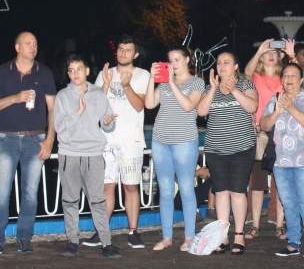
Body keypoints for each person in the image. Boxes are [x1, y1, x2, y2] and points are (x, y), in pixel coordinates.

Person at [0, 32, 57, 255]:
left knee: (30, 193)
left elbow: (53, 109)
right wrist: (15, 98)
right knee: (1, 192)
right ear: (17, 47)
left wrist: (50, 139)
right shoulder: (3, 72)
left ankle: (24, 238)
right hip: (7, 139)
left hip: (36, 138)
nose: (33, 47)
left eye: (35, 43)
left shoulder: (45, 73)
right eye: (28, 43)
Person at [54, 54, 121, 259]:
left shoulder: (98, 95)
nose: (75, 73)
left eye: (79, 69)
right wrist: (77, 113)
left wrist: (108, 121)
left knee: (98, 201)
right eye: (71, 70)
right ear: (68, 74)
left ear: (87, 71)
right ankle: (73, 241)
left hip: (93, 155)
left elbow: (108, 126)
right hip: (69, 155)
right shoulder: (63, 97)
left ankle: (106, 243)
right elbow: (60, 129)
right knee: (70, 201)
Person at [87, 35, 149, 249]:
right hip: (106, 141)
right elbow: (95, 106)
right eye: (120, 49)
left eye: (128, 50)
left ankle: (133, 231)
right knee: (107, 187)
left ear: (136, 54)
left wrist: (127, 86)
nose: (123, 53)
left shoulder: (143, 75)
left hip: (130, 141)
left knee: (131, 187)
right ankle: (102, 231)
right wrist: (105, 83)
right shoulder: (106, 73)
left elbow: (141, 106)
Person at [260, 63, 304, 259]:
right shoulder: (275, 99)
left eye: (293, 75)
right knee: (288, 203)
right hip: (282, 162)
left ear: (301, 79)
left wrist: (291, 108)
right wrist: (278, 111)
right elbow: (263, 125)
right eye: (285, 75)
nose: (288, 79)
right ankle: (293, 243)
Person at [196, 51, 257, 255]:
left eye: (227, 62)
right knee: (221, 191)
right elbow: (201, 112)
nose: (222, 66)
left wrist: (234, 91)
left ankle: (239, 234)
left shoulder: (246, 85)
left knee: (237, 191)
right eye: (219, 63)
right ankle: (222, 235)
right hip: (216, 149)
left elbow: (252, 106)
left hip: (241, 148)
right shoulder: (209, 87)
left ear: (236, 66)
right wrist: (214, 89)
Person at [145, 47, 205, 251]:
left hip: (185, 141)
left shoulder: (197, 82)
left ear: (188, 59)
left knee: (187, 188)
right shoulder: (163, 83)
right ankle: (167, 237)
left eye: (178, 59)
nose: (174, 64)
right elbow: (150, 104)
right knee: (165, 190)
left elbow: (189, 106)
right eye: (170, 60)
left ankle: (189, 237)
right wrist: (151, 79)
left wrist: (171, 82)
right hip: (161, 139)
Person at [243, 39, 284, 240]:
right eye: (267, 53)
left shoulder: (284, 78)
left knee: (281, 180)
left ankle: (280, 224)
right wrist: (259, 49)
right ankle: (256, 225)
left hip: (281, 133)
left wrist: (291, 55)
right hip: (259, 132)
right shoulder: (256, 77)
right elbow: (246, 72)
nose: (270, 55)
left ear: (279, 58)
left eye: (274, 53)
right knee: (257, 181)